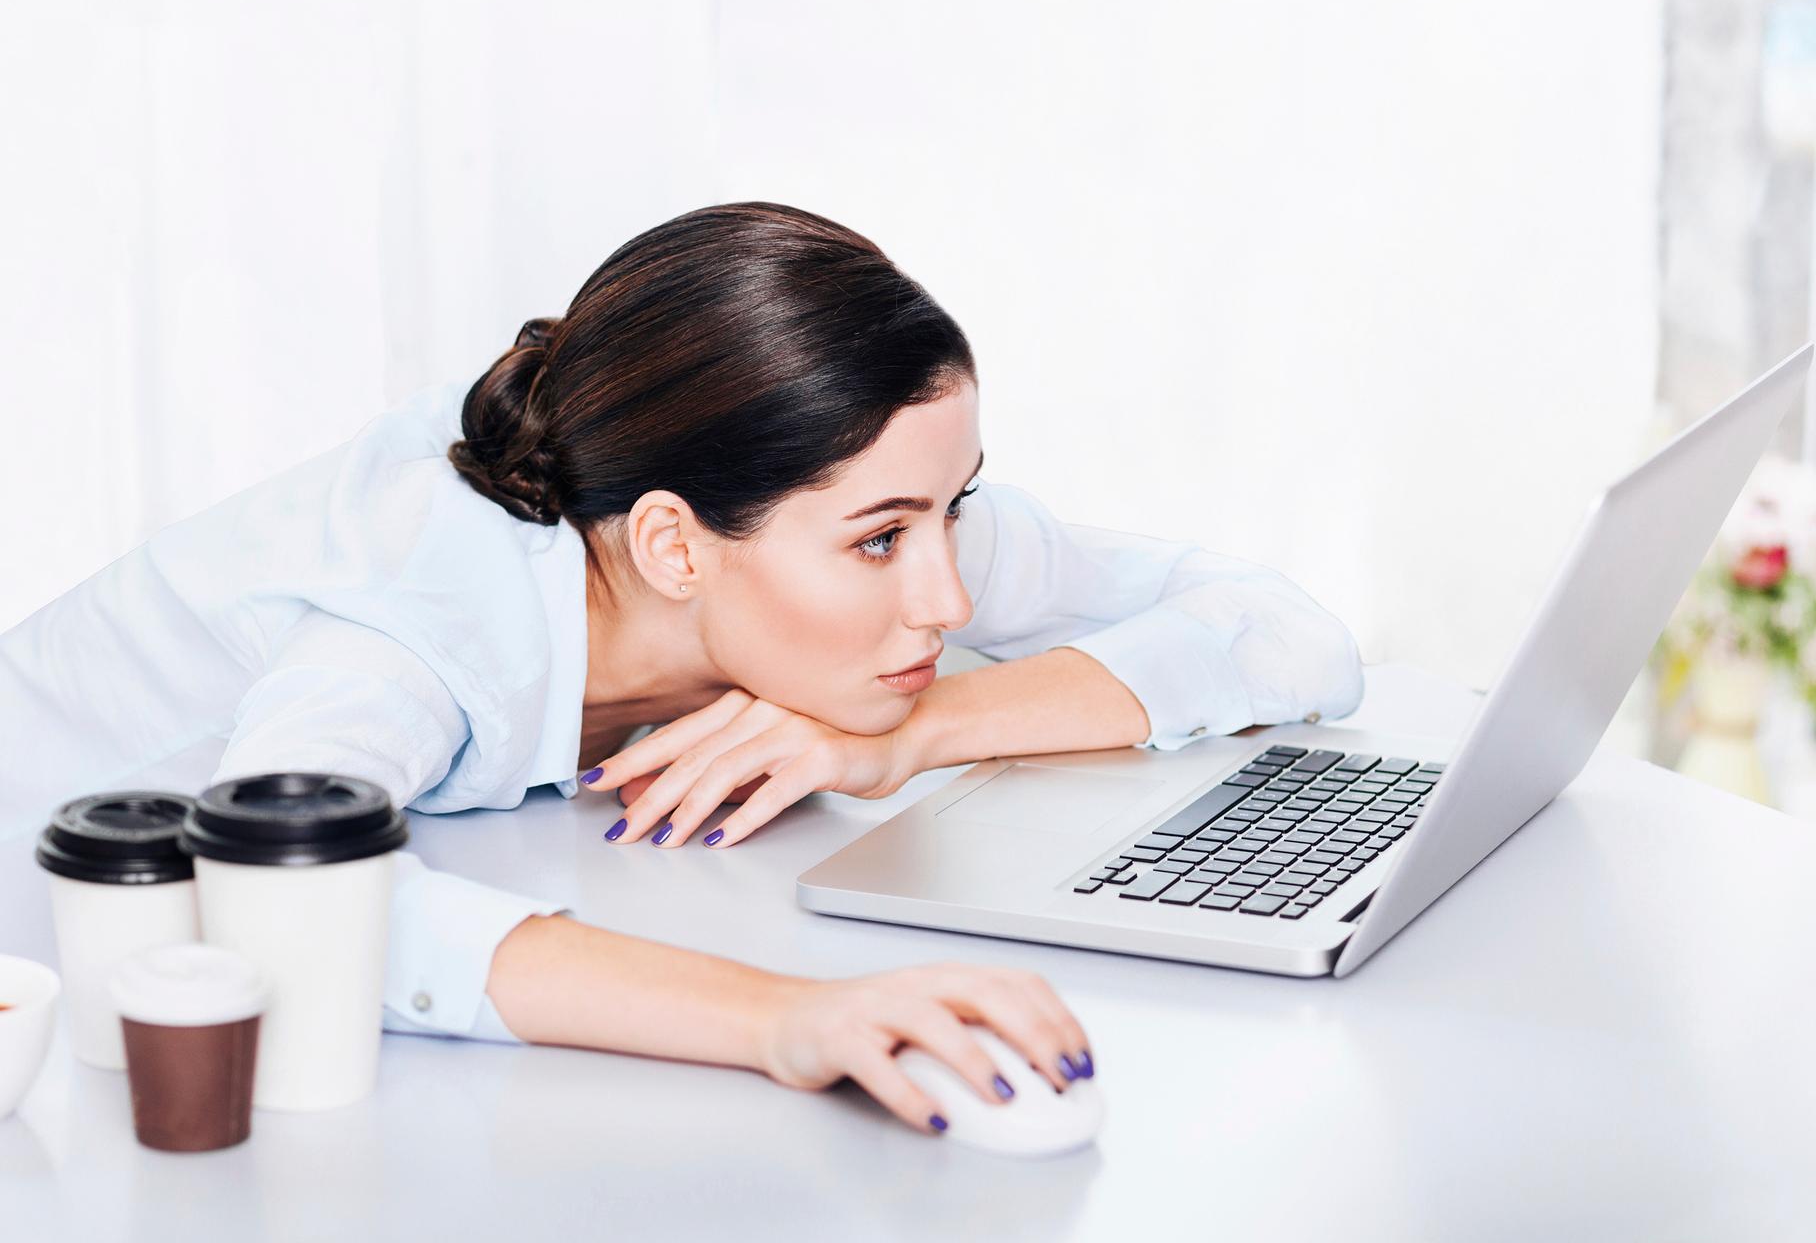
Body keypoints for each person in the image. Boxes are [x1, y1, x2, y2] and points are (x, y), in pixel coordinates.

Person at [0, 201, 1363, 1135]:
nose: (947, 590)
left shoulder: (847, 527)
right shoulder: (409, 624)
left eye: (953, 510)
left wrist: (913, 730)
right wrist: (792, 1020)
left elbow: (1287, 630)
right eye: (884, 539)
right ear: (673, 544)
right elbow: (310, 908)